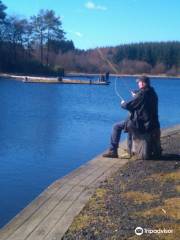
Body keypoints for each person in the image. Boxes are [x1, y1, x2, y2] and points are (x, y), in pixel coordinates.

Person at [103, 75, 160, 158]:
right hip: (151, 123)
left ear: (143, 83)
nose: (138, 84)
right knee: (128, 122)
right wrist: (136, 94)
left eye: (139, 82)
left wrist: (122, 103)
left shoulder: (141, 94)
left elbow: (128, 105)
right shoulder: (152, 93)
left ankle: (113, 151)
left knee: (116, 126)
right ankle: (129, 150)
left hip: (141, 124)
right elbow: (142, 100)